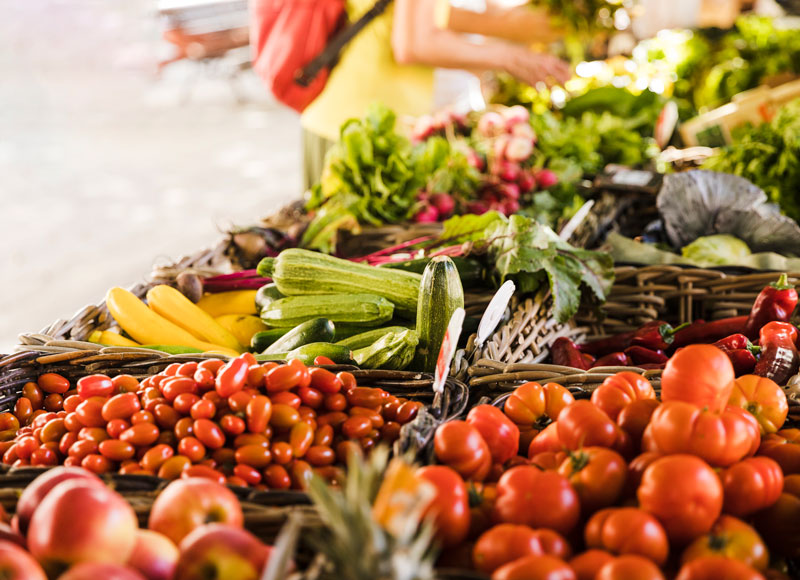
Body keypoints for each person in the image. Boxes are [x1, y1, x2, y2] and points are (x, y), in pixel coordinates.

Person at [298, 0, 570, 191]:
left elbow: (446, 13)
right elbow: (414, 43)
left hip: (388, 127)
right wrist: (510, 58)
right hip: (357, 133)